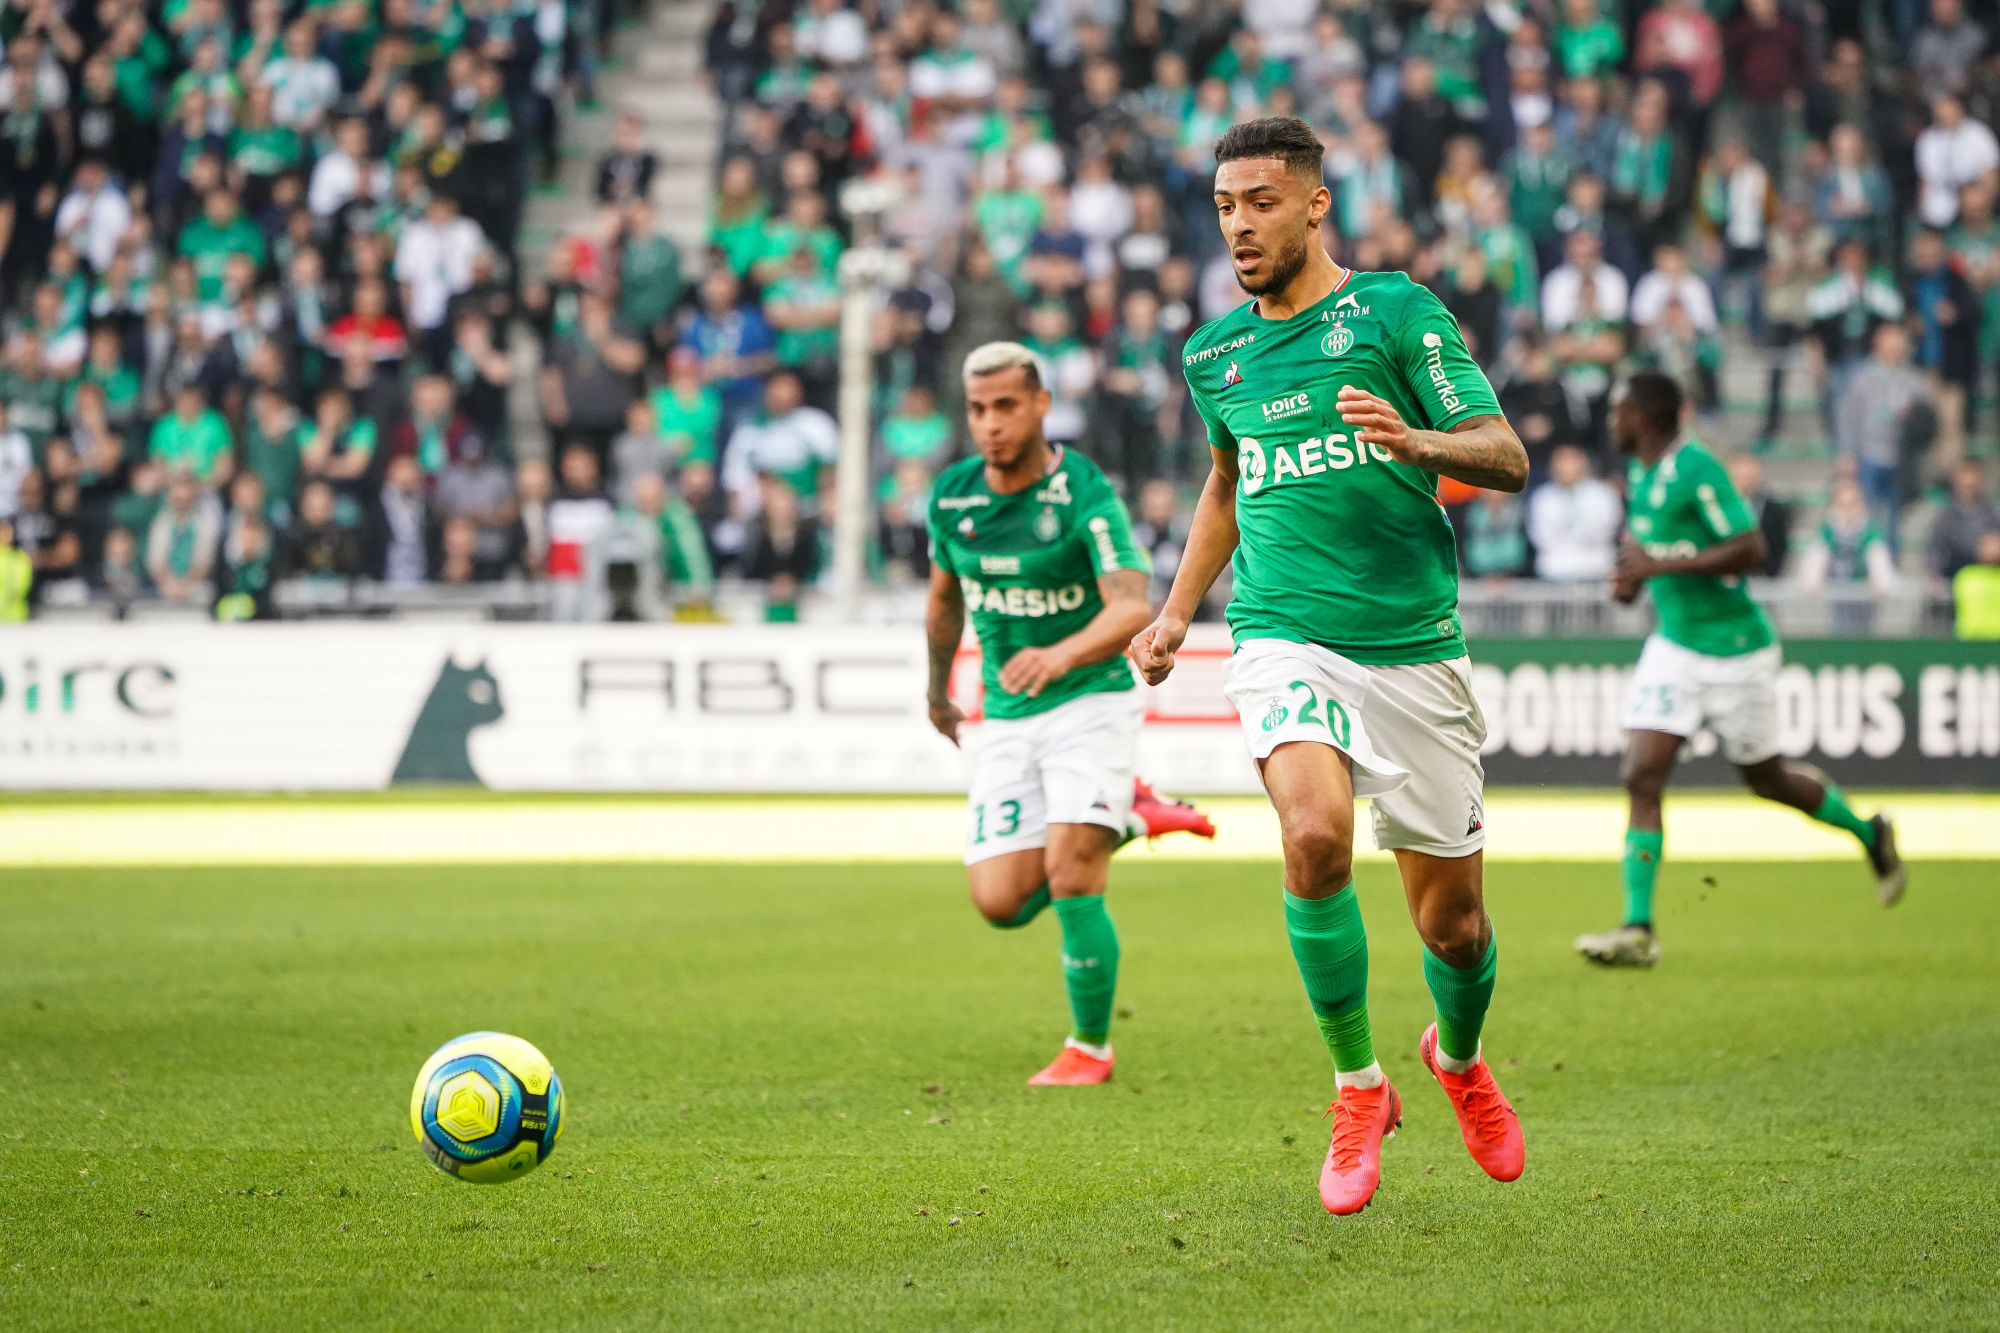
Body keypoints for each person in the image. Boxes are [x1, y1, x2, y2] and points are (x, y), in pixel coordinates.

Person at [1128, 118, 1530, 1216]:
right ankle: (1358, 1087)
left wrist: (1418, 442)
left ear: (1314, 204)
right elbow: (1225, 482)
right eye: (1222, 205)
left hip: (1411, 651)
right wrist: (1173, 614)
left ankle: (1453, 1060)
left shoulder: (1395, 311)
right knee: (1311, 837)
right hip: (1280, 631)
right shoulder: (1213, 353)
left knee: (1452, 927)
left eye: (1259, 201)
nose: (1238, 224)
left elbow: (1504, 454)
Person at [924, 341, 1216, 1089]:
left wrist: (1058, 654)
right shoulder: (953, 496)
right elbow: (945, 600)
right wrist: (937, 690)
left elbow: (1129, 604)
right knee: (997, 900)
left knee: (1070, 871)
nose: (990, 424)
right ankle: (1124, 815)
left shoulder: (1083, 491)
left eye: (1007, 406)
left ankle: (1090, 1047)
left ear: (1042, 404)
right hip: (1007, 716)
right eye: (978, 410)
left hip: (1089, 701)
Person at [1576, 372, 1907, 970]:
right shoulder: (1641, 472)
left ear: (1644, 418)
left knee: (1767, 780)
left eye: (1619, 412)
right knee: (1641, 775)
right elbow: (1649, 552)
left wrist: (1655, 567)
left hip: (1736, 649)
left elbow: (1753, 549)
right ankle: (1639, 928)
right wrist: (1632, 578)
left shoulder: (1698, 468)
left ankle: (1868, 831)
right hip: (1675, 645)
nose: (1612, 422)